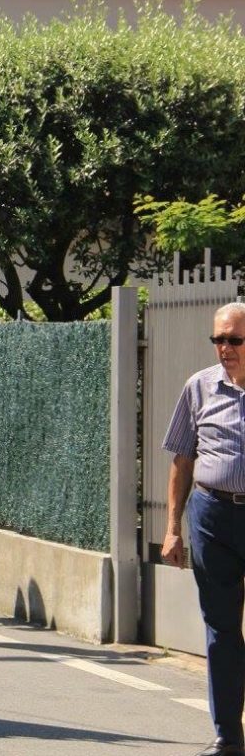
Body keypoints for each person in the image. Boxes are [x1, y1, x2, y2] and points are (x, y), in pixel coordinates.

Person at [161, 302, 245, 756]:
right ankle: (229, 737)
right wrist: (173, 527)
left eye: (234, 340)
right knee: (221, 628)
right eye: (218, 340)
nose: (224, 349)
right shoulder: (199, 388)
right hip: (212, 516)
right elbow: (181, 459)